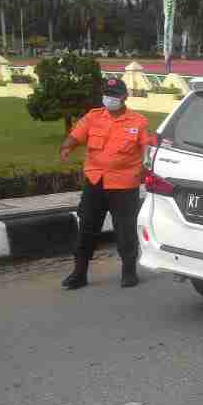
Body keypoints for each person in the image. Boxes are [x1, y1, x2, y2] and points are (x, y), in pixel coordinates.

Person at [58, 77, 151, 290]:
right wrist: (67, 147)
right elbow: (76, 135)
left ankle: (129, 272)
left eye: (114, 95)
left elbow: (147, 149)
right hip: (95, 181)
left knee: (125, 230)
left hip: (124, 185)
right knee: (87, 228)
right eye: (107, 95)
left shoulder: (138, 122)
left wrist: (147, 168)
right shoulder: (93, 117)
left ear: (124, 97)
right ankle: (79, 273)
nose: (109, 99)